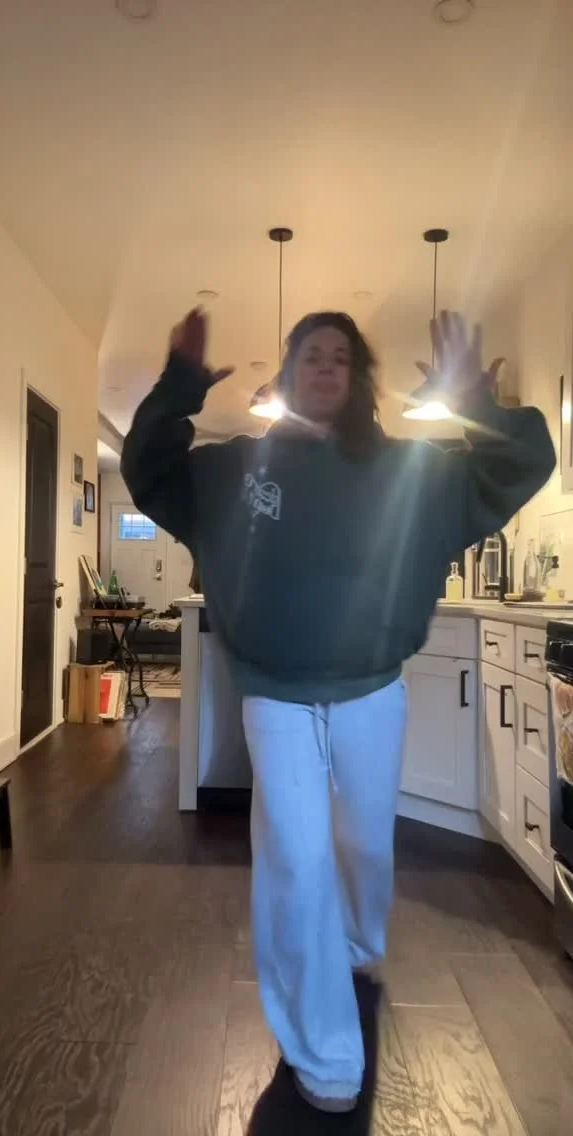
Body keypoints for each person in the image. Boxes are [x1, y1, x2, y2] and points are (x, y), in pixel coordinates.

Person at [121, 306, 555, 1114]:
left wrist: (477, 402)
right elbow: (150, 472)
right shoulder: (237, 467)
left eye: (340, 356)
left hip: (372, 692)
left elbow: (522, 464)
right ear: (289, 373)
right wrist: (179, 386)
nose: (325, 365)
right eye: (310, 354)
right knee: (296, 860)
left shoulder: (408, 471)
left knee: (363, 848)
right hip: (275, 696)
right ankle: (325, 1052)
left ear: (357, 378)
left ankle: (356, 945)